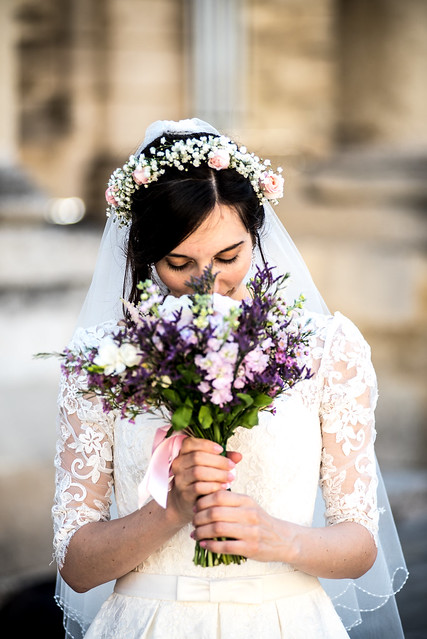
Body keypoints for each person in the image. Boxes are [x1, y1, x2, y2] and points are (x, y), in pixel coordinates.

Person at [52, 118, 407, 639]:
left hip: (285, 622)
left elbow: (359, 547)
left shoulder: (325, 348)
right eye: (178, 261)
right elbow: (77, 567)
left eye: (227, 256)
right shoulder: (105, 360)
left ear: (255, 235)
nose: (205, 282)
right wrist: (170, 511)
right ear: (147, 255)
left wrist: (276, 538)